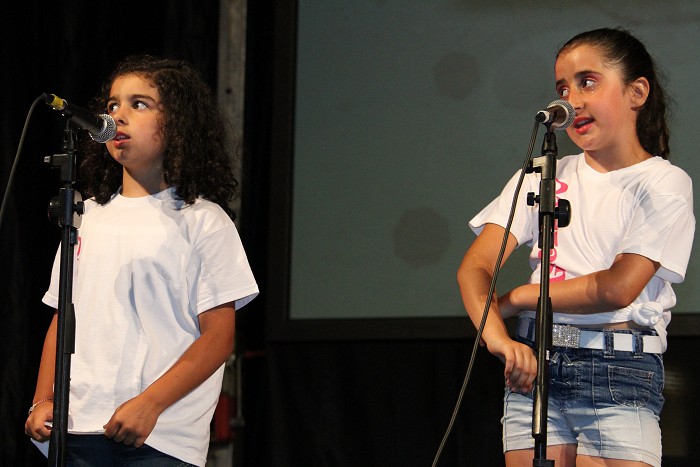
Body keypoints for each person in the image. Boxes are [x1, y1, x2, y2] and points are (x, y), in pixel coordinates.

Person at [457, 27, 694, 467]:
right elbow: (475, 267)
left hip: (616, 369)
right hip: (535, 367)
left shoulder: (664, 182)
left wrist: (520, 297)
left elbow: (618, 287)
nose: (571, 100)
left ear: (637, 92)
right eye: (563, 88)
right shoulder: (543, 175)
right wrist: (498, 341)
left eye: (588, 82)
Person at [24, 55, 259, 466]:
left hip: (158, 437)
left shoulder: (203, 221)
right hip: (76, 429)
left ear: (178, 124)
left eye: (139, 104)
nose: (118, 116)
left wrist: (150, 403)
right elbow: (64, 317)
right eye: (112, 104)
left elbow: (219, 337)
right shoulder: (85, 217)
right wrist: (43, 399)